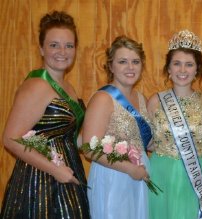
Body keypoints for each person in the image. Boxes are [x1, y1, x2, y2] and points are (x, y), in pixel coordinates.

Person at [0, 11, 90, 218]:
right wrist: (55, 170)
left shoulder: (68, 87)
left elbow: (68, 137)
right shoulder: (36, 86)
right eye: (54, 45)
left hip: (68, 173)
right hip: (39, 182)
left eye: (69, 45)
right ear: (41, 48)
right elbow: (11, 139)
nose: (62, 51)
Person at [82, 36, 152, 219]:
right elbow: (89, 148)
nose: (130, 67)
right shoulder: (103, 99)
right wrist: (129, 169)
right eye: (123, 62)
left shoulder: (141, 98)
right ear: (111, 66)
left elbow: (145, 141)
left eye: (135, 62)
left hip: (139, 174)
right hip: (113, 177)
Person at [147, 30, 202, 219]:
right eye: (176, 64)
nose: (182, 70)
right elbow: (146, 140)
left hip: (195, 174)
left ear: (197, 70)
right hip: (161, 172)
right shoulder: (155, 101)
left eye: (189, 64)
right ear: (168, 68)